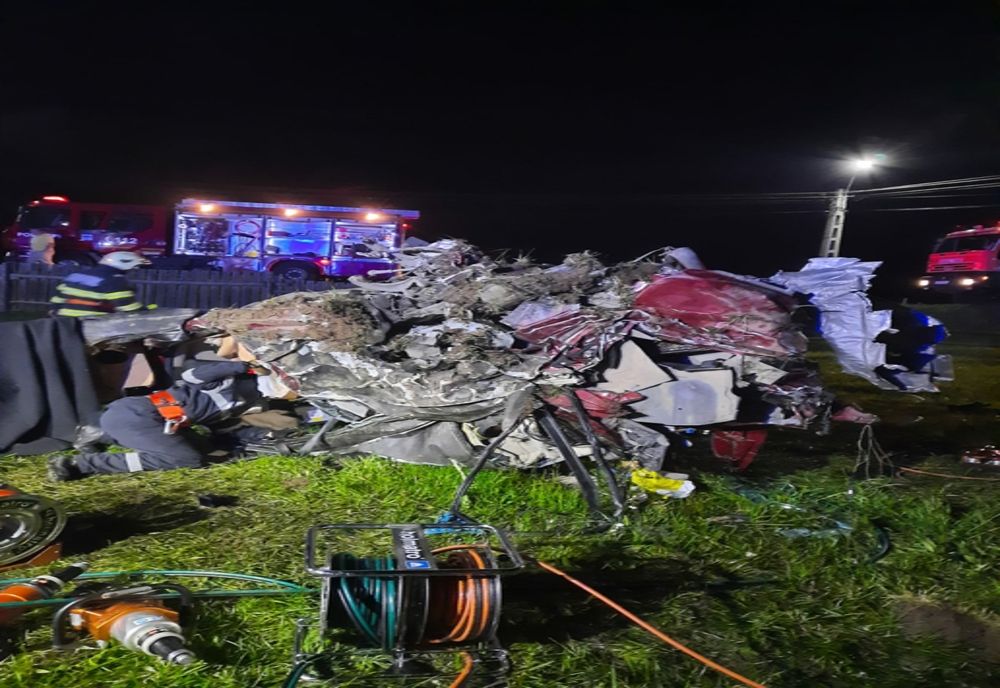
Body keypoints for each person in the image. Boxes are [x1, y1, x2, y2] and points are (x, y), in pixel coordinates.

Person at [48, 359, 294, 480]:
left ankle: (98, 432)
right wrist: (242, 366)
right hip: (141, 415)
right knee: (186, 459)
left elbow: (224, 428)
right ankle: (82, 465)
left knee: (205, 449)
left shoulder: (249, 403)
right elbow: (192, 373)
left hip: (151, 419)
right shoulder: (226, 381)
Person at [49, 251, 153, 317]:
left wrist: (56, 314)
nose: (132, 271)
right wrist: (146, 310)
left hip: (65, 323)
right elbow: (129, 308)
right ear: (126, 265)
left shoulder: (74, 275)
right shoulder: (114, 280)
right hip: (93, 324)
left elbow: (56, 300)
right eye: (133, 268)